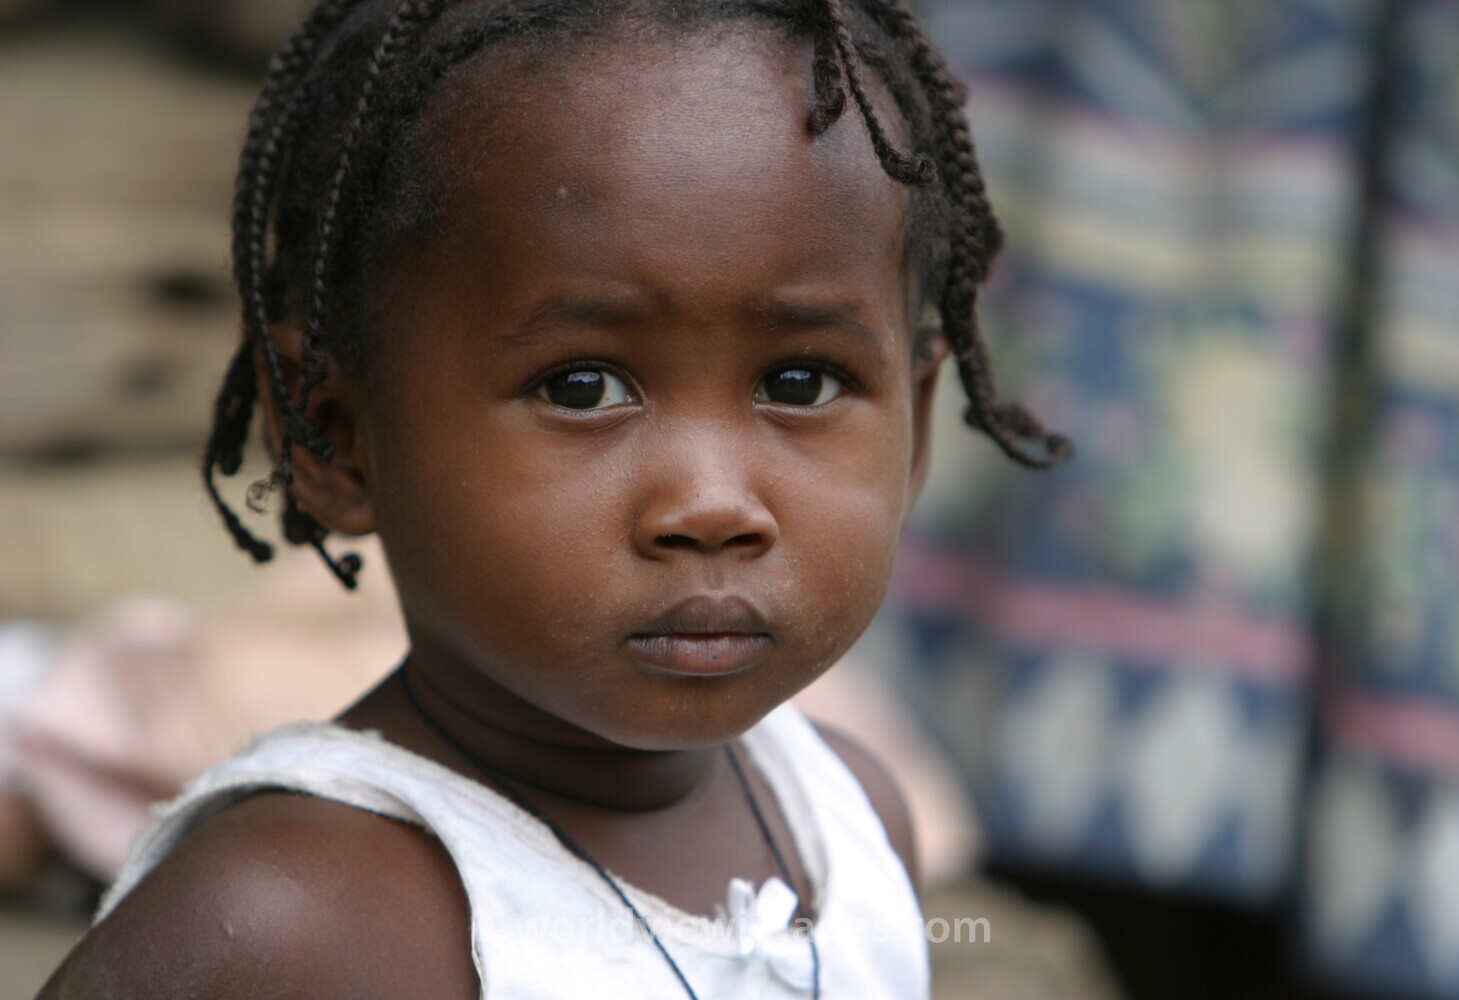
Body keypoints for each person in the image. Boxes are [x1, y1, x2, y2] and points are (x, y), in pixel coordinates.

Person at [36, 0, 1068, 996]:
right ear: (336, 440)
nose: (711, 503)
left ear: (919, 427)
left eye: (799, 382)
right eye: (584, 387)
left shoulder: (849, 821)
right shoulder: (283, 922)